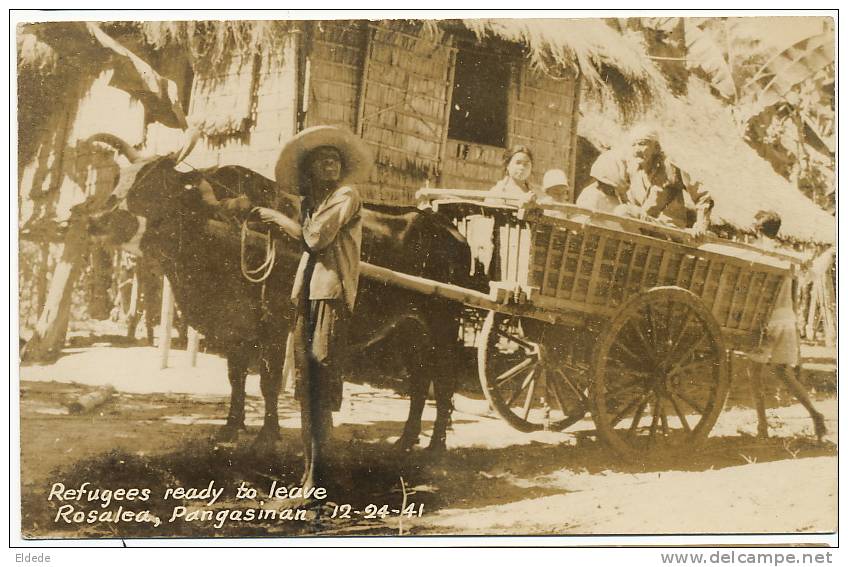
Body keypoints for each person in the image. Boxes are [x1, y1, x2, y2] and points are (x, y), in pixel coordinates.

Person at [255, 125, 372, 490]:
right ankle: (310, 473)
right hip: (307, 295)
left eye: (335, 161)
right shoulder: (316, 203)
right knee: (306, 385)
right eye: (323, 162)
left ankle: (319, 477)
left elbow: (316, 238)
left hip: (330, 295)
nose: (330, 166)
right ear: (310, 170)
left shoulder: (346, 196)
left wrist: (279, 221)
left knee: (319, 379)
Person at [747, 210, 827, 442]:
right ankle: (815, 414)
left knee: (754, 373)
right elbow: (793, 292)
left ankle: (762, 427)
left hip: (766, 320)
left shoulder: (757, 254)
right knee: (783, 371)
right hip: (785, 318)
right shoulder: (788, 257)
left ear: (756, 230)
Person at [591, 125, 714, 236]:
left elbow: (703, 196)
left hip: (669, 231)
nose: (637, 150)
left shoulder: (670, 168)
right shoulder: (633, 171)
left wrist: (701, 225)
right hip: (644, 228)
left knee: (623, 211)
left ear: (656, 147)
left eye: (642, 144)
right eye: (633, 145)